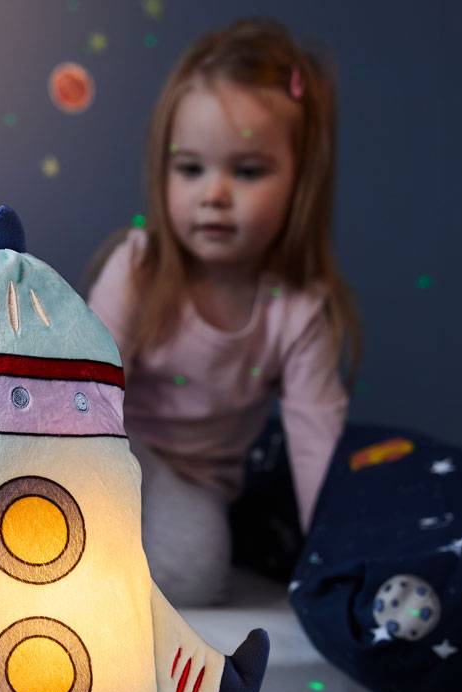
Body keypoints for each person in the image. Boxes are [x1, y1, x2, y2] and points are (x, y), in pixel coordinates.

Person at [86, 17, 361, 608]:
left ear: (300, 184)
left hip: (194, 487)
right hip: (108, 446)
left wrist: (337, 557)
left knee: (197, 572)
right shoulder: (141, 265)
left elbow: (317, 445)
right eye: (191, 169)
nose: (214, 194)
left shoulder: (299, 311)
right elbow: (86, 383)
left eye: (247, 171)